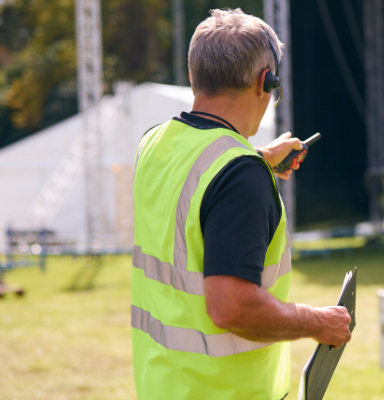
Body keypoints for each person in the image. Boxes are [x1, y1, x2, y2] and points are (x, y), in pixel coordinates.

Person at [131, 9, 351, 400]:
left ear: (193, 75)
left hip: (164, 386)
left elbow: (194, 180)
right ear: (265, 81)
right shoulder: (240, 175)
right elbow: (232, 308)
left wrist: (258, 159)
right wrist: (317, 322)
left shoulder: (154, 143)